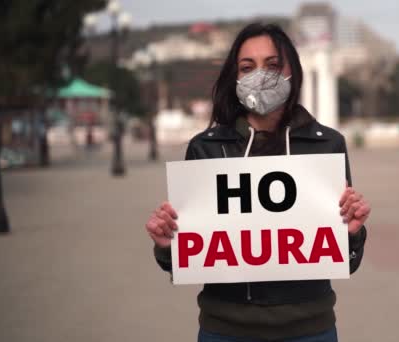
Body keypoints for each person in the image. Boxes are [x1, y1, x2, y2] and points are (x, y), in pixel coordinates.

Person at [145, 23, 371, 342]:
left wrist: (354, 232)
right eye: (247, 67)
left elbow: (348, 257)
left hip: (310, 329)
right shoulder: (205, 148)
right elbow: (186, 259)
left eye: (273, 64)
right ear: (234, 77)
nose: (260, 75)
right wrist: (167, 245)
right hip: (224, 329)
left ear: (292, 70)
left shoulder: (327, 145)